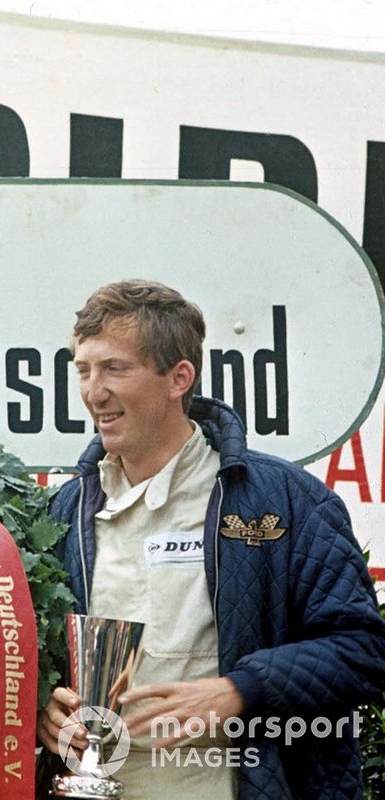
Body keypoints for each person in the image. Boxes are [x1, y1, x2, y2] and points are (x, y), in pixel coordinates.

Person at [37, 279, 385, 798]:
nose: (93, 390)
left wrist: (239, 691)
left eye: (115, 368)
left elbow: (363, 651)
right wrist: (44, 706)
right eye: (83, 369)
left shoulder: (286, 500)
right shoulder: (64, 512)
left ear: (179, 378)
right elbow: (30, 655)